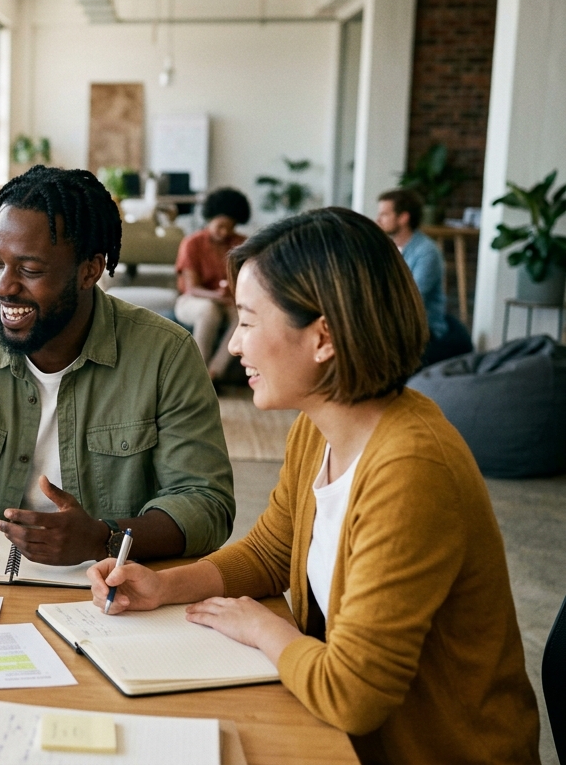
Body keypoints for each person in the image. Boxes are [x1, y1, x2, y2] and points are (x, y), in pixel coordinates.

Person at [90, 207, 539, 764]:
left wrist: (262, 628)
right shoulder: (318, 426)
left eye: (248, 322)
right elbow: (273, 552)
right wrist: (164, 586)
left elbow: (353, 694)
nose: (235, 346)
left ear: (323, 336)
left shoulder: (411, 470)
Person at [0, 165, 234, 565]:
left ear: (90, 270)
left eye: (30, 270)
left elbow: (205, 503)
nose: (3, 286)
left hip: (107, 585)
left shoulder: (166, 355)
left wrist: (103, 538)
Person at [375, 189, 473, 366]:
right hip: (391, 326)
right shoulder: (386, 249)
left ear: (403, 218)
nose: (378, 220)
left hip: (422, 331)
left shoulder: (426, 251)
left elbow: (411, 299)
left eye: (384, 214)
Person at [174, 188, 250, 381]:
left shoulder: (242, 244)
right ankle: (196, 373)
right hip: (193, 300)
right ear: (210, 219)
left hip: (228, 301)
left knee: (244, 316)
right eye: (220, 226)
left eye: (230, 227)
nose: (225, 232)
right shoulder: (192, 243)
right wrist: (217, 296)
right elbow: (192, 288)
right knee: (209, 311)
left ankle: (213, 374)